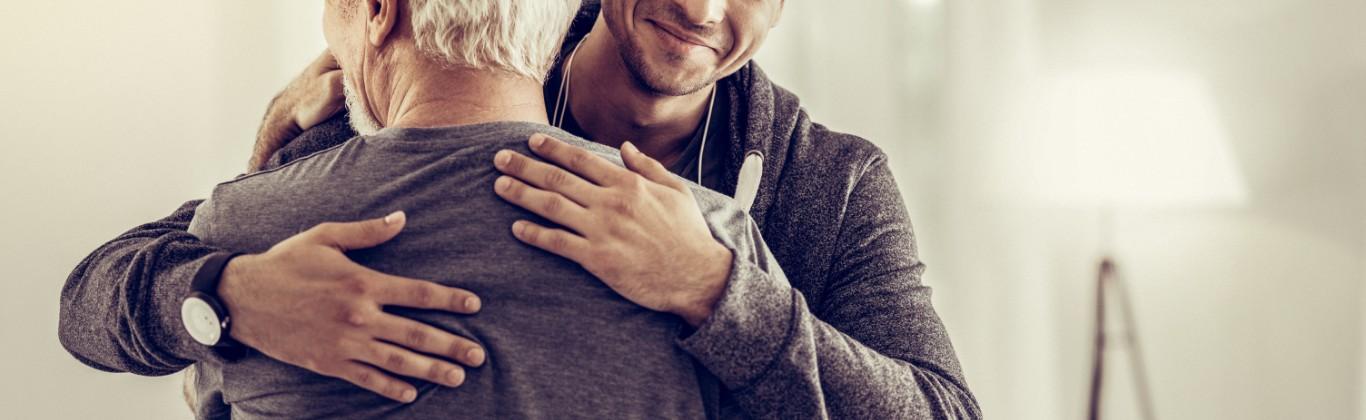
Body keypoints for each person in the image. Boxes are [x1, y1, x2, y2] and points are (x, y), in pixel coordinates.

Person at [59, 0, 981, 419]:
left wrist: (715, 291)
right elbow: (98, 300)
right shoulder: (405, 86)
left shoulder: (832, 181)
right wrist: (229, 298)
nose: (702, 6)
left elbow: (942, 414)